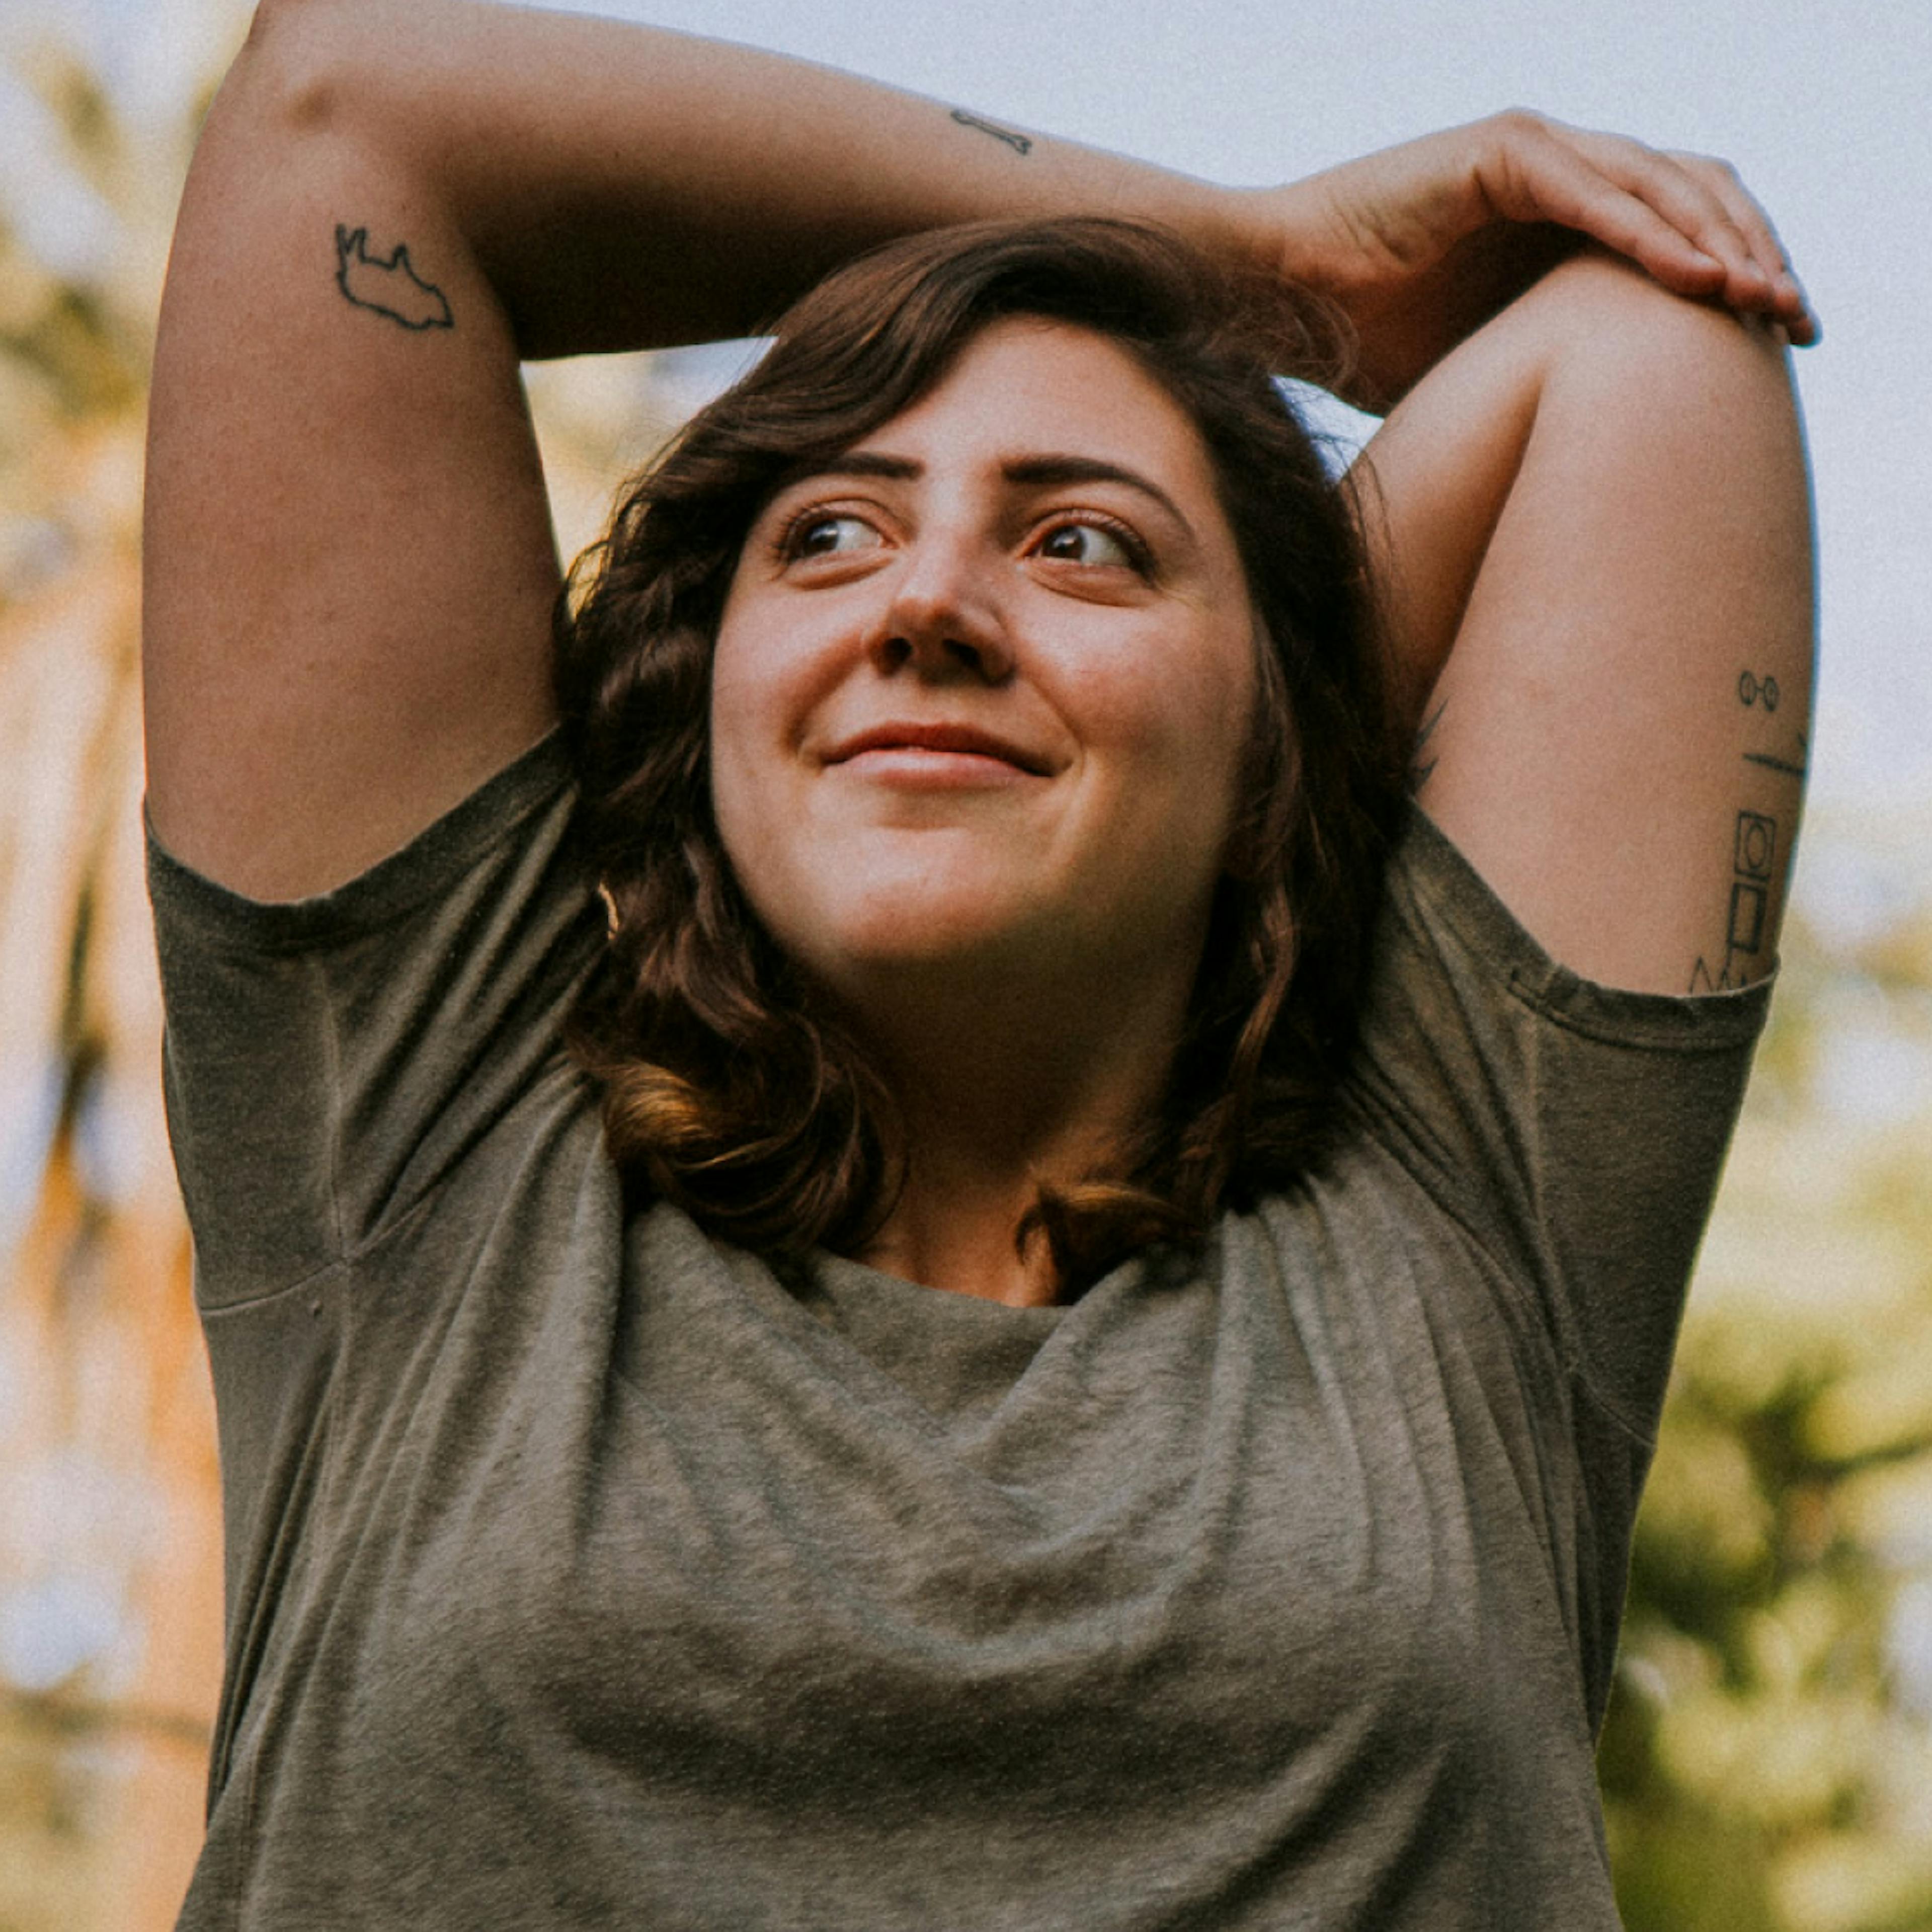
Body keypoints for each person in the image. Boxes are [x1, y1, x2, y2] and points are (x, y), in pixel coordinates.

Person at [142, 0, 1817, 1924]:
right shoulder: (427, 1152)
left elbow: (1657, 328)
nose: (929, 600)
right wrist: (1253, 251)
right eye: (829, 536)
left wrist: (1240, 679)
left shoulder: (1456, 1231)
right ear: (706, 701)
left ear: (1282, 733)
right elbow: (344, 105)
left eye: (1084, 546)